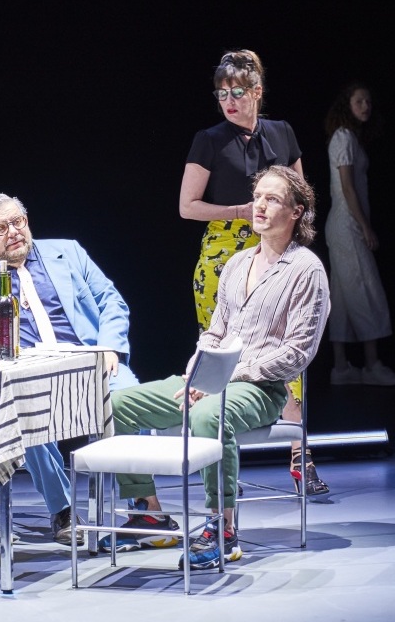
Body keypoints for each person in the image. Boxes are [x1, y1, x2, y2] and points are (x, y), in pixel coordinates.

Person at [106, 166, 329, 569]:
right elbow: (214, 333)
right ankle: (149, 513)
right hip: (211, 379)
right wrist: (199, 373)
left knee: (210, 414)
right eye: (257, 197)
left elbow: (298, 352)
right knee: (116, 404)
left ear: (297, 211)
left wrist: (225, 377)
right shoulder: (237, 264)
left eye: (272, 199)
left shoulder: (306, 269)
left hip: (261, 387)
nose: (259, 205)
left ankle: (221, 528)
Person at [0, 193, 140, 545]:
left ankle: (142, 504)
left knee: (131, 400)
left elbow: (111, 301)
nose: (14, 232)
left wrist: (109, 346)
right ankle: (63, 509)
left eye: (18, 222)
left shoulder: (68, 252)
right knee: (20, 411)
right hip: (23, 377)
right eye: (1, 228)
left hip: (88, 364)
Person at [178, 48, 328, 496]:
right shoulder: (209, 139)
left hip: (277, 244)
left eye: (237, 92)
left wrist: (299, 251)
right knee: (221, 351)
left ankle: (301, 455)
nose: (228, 101)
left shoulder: (281, 132)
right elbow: (187, 206)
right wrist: (240, 211)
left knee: (286, 346)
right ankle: (222, 461)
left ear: (257, 92)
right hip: (224, 253)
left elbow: (302, 197)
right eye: (221, 93)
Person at [324, 82, 395, 386]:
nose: (366, 106)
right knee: (366, 290)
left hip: (344, 225)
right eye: (359, 101)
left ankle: (341, 368)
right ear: (347, 105)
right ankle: (371, 365)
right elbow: (347, 188)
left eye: (368, 101)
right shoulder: (343, 137)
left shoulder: (349, 137)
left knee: (344, 295)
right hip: (347, 225)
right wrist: (365, 226)